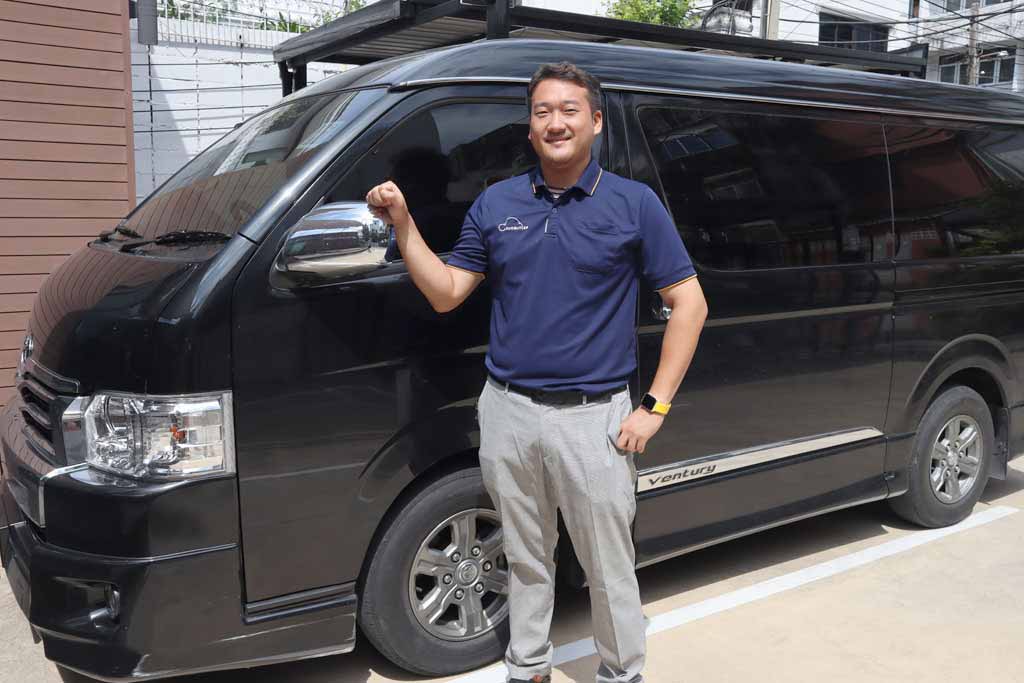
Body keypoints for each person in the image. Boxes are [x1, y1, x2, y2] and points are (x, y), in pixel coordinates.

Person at [366, 61, 708, 683]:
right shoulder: (497, 203)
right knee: (525, 556)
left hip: (594, 420)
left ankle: (621, 672)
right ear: (529, 128)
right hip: (509, 412)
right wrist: (405, 225)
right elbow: (446, 292)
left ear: (595, 122)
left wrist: (653, 407)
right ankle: (528, 667)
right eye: (543, 111)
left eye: (570, 110)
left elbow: (689, 304)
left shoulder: (633, 204)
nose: (556, 122)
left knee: (608, 565)